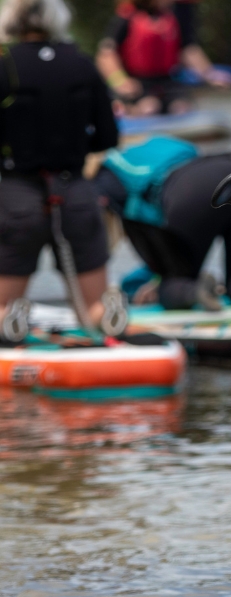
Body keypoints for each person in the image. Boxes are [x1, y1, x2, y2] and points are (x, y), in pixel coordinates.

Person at [0, 0, 126, 343]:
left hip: (17, 197)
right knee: (94, 307)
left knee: (3, 306)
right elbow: (108, 137)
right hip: (76, 194)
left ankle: (12, 323)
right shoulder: (83, 63)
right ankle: (108, 321)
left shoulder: (4, 64)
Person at [94, 139, 231, 311]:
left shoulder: (103, 177)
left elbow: (145, 229)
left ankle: (194, 290)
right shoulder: (142, 150)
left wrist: (159, 281)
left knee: (175, 281)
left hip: (188, 190)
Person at [96, 0, 231, 116]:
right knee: (149, 107)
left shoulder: (176, 16)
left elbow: (188, 49)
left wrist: (209, 75)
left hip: (168, 81)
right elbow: (106, 53)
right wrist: (119, 81)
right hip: (138, 83)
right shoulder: (127, 17)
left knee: (181, 107)